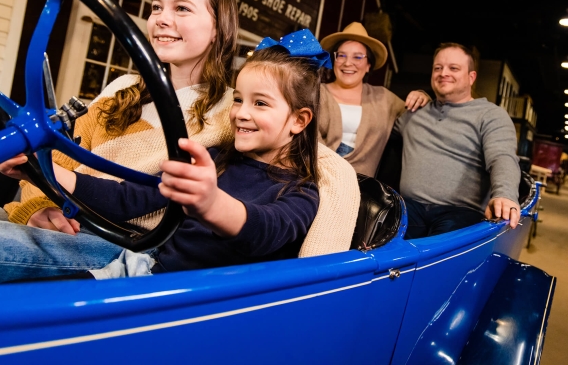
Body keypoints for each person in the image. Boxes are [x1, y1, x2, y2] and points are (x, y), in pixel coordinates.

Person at [0, 31, 332, 281]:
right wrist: (46, 174)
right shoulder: (217, 158)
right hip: (142, 263)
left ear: (299, 120)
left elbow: (264, 232)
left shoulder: (302, 192)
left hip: (181, 298)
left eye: (260, 103)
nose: (241, 113)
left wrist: (211, 203)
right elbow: (135, 197)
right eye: (239, 99)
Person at [4, 0, 239, 232]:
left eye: (182, 8)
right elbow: (59, 155)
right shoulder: (123, 88)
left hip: (125, 242)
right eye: (157, 8)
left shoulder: (232, 112)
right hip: (65, 217)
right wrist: (37, 207)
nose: (161, 19)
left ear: (219, 28)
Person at [393, 42, 522, 238]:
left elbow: (502, 157)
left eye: (453, 68)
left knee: (438, 257)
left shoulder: (490, 115)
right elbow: (379, 128)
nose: (443, 73)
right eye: (438, 68)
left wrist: (504, 194)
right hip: (409, 207)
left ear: (471, 77)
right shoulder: (414, 113)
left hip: (461, 212)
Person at [318, 22, 430, 177]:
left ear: (368, 65)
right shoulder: (315, 93)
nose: (347, 63)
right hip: (315, 179)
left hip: (362, 188)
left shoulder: (383, 98)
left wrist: (422, 96)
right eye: (341, 55)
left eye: (357, 57)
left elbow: (424, 114)